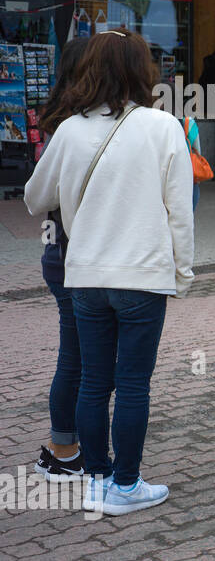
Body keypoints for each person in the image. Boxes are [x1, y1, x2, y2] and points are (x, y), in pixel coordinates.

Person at [23, 29, 195, 516]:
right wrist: (183, 274)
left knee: (95, 381)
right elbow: (180, 212)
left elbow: (36, 198)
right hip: (142, 274)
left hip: (85, 276)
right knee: (134, 383)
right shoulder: (164, 127)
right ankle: (127, 484)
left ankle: (96, 481)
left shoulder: (71, 130)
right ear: (142, 71)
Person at [29, 36, 91, 480]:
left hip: (61, 251)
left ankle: (65, 445)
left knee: (77, 355)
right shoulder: (71, 124)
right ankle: (62, 449)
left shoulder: (58, 117)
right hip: (69, 253)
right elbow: (41, 193)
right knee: (76, 357)